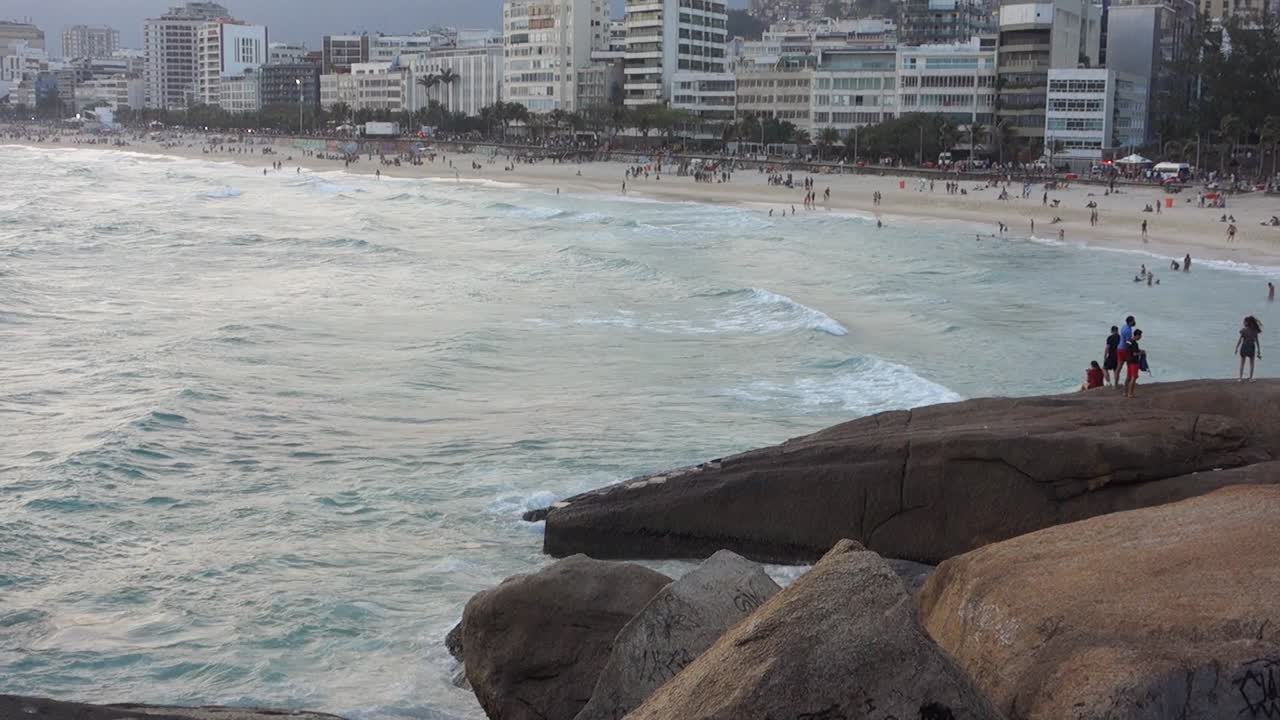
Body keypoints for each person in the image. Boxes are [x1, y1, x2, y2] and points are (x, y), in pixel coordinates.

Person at [1236, 316, 1263, 382]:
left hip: (1244, 347)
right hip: (1251, 348)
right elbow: (1257, 341)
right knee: (1252, 364)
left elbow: (1240, 340)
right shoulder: (1255, 331)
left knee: (1242, 363)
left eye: (1244, 321)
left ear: (1247, 323)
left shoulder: (1243, 330)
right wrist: (1259, 351)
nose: (1243, 323)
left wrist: (1236, 348)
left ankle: (1240, 378)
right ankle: (1250, 378)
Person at [1124, 329, 1145, 398]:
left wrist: (1139, 350)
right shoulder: (1135, 343)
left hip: (1128, 361)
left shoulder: (1128, 341)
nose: (1141, 337)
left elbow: (1131, 350)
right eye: (1140, 336)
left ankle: (1125, 392)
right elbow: (1135, 353)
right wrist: (1141, 353)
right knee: (1134, 377)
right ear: (1137, 335)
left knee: (1128, 377)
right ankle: (1130, 393)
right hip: (1134, 362)